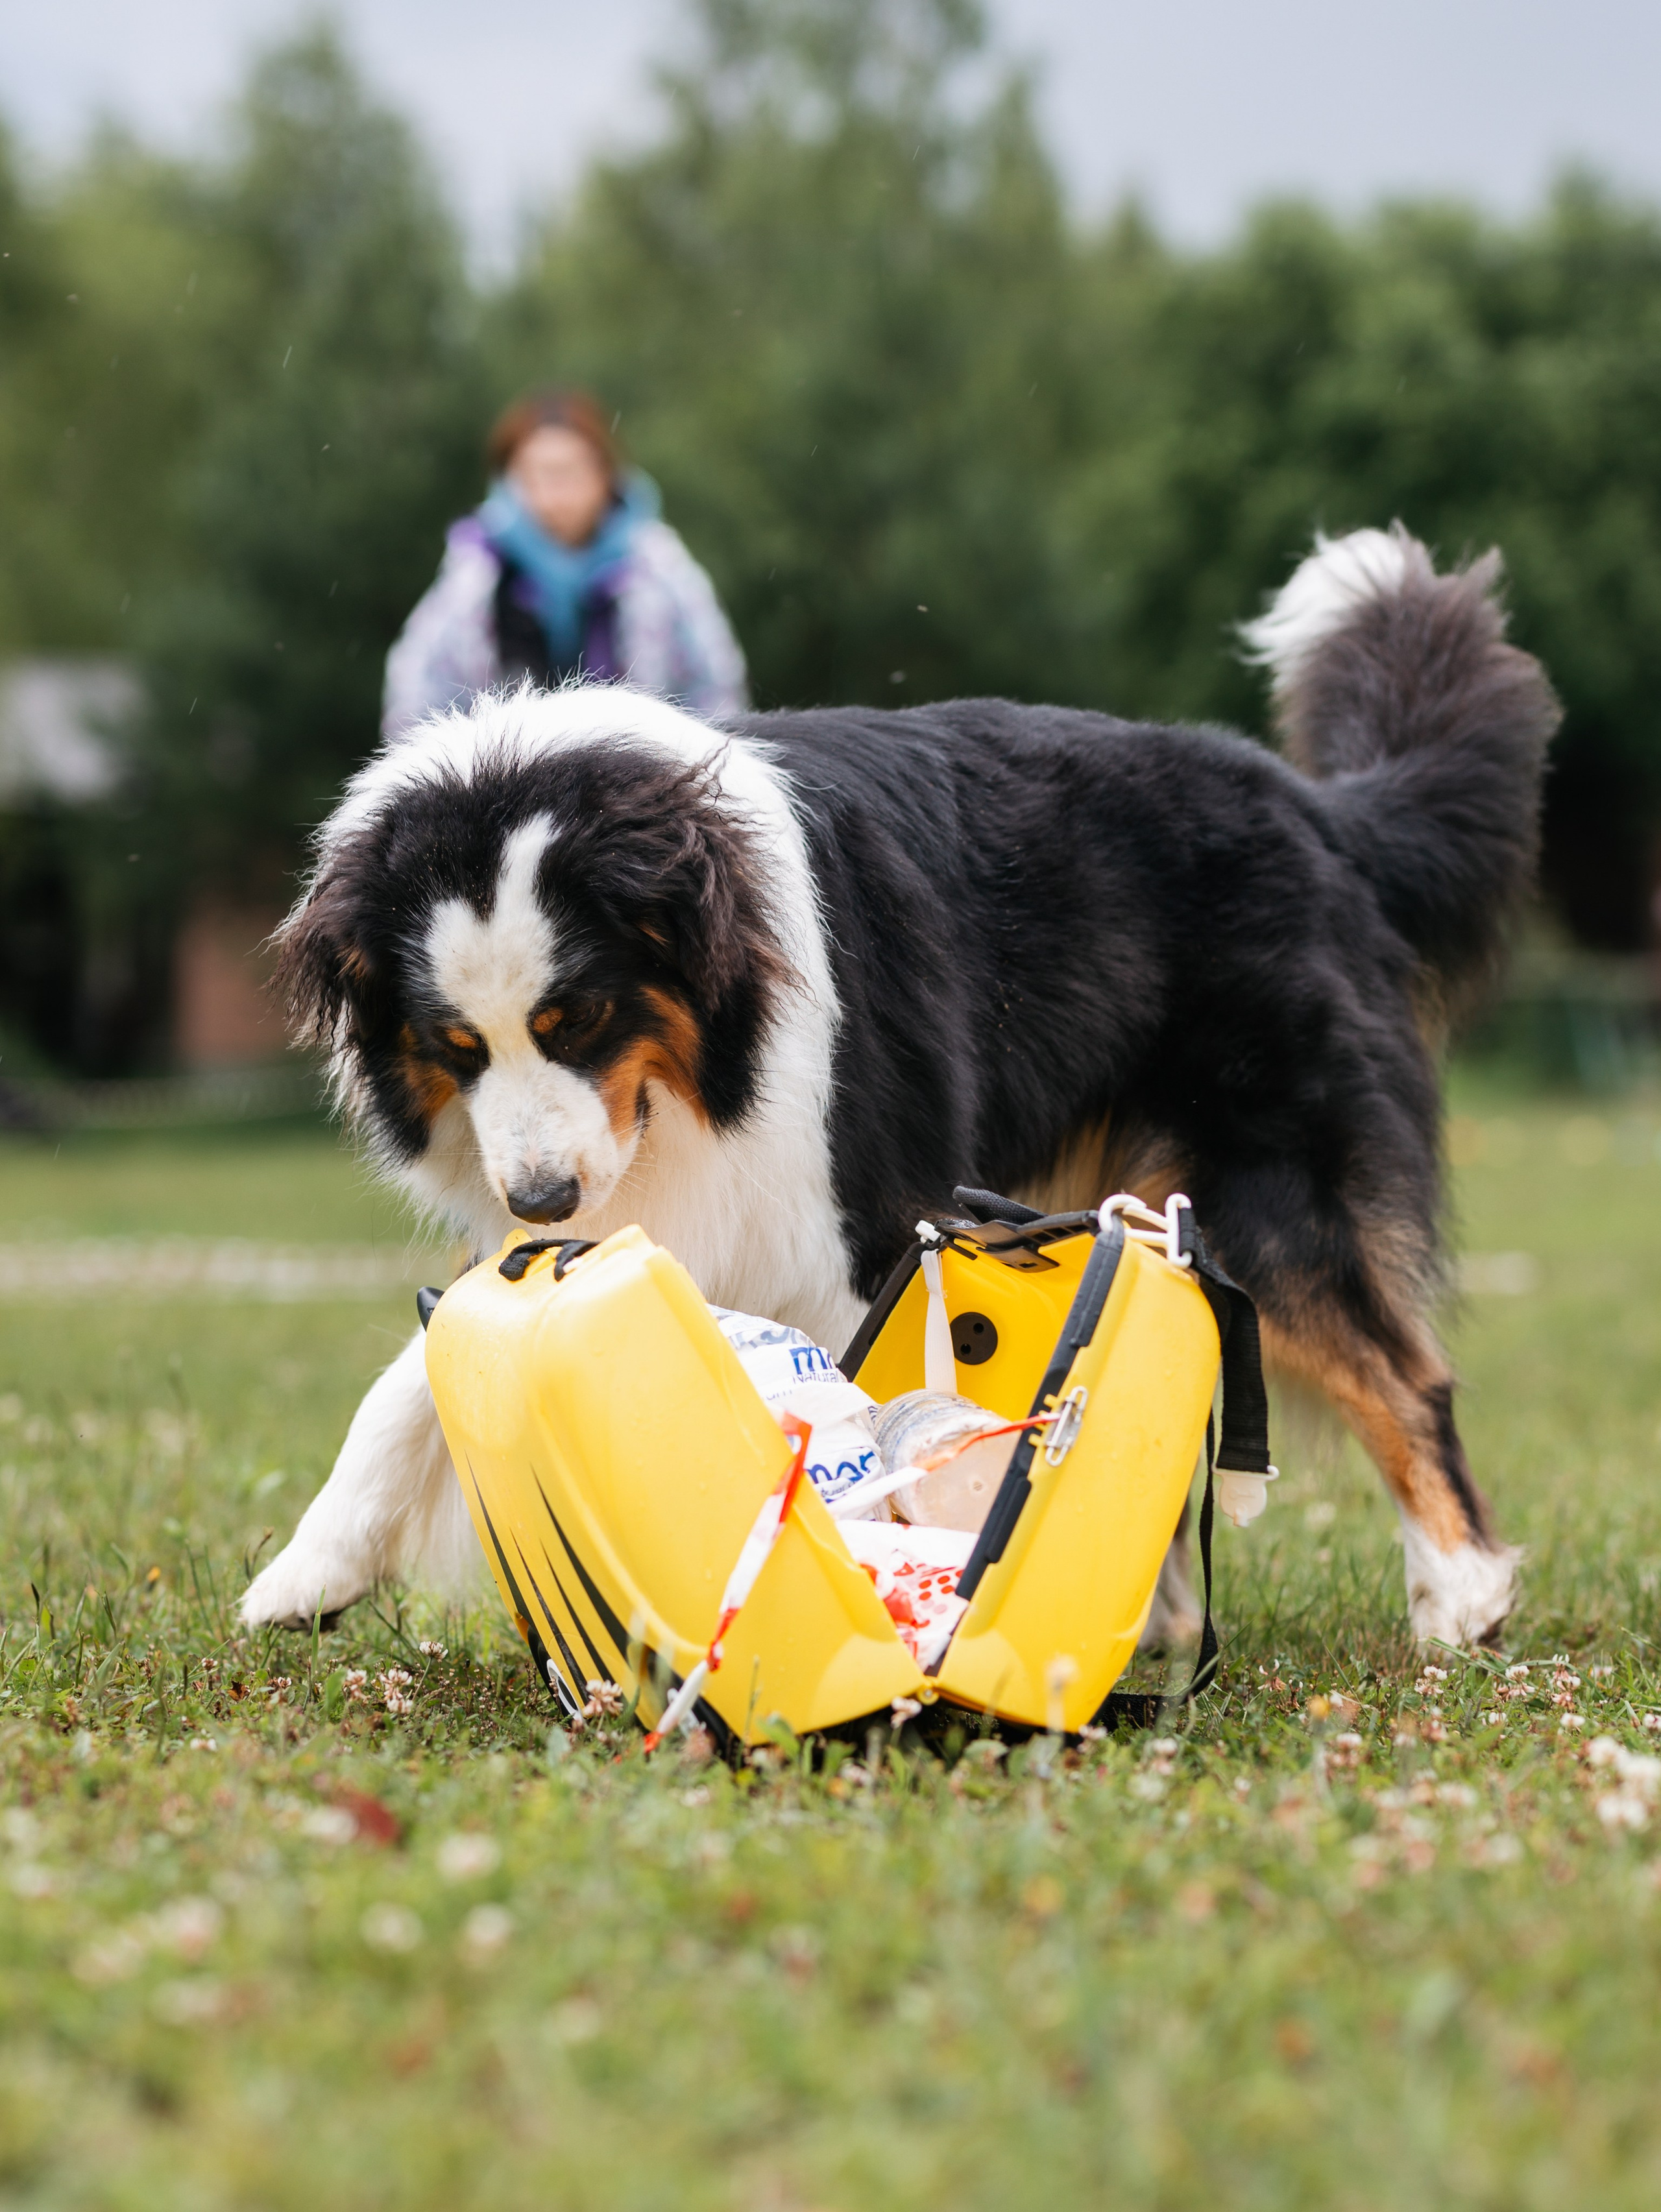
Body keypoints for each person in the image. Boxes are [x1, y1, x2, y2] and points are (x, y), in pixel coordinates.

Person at [382, 389, 748, 736]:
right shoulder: (478, 572)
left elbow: (714, 683)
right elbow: (419, 689)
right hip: (503, 784)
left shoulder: (657, 565)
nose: (556, 490)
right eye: (539, 472)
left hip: (639, 785)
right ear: (511, 479)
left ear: (605, 474)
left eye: (571, 470)